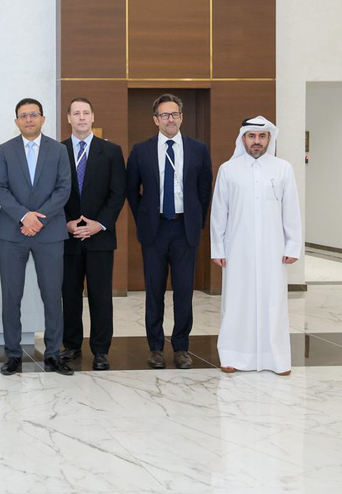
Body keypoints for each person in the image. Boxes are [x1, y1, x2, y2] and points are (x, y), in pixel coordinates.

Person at [126, 93, 212, 370]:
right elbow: (131, 190)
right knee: (154, 291)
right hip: (155, 229)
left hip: (185, 229)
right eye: (164, 115)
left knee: (184, 291)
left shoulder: (198, 149)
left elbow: (204, 190)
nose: (170, 119)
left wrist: (196, 223)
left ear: (181, 117)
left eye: (174, 114)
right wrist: (145, 219)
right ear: (155, 119)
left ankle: (182, 347)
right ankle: (155, 348)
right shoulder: (142, 150)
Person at [211, 116, 301, 376]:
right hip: (237, 249)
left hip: (273, 249)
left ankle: (277, 359)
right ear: (243, 139)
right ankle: (232, 355)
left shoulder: (283, 168)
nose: (257, 141)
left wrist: (292, 245)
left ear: (269, 139)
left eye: (262, 137)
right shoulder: (229, 169)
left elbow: (291, 209)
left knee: (274, 303)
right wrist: (218, 247)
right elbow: (219, 212)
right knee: (236, 301)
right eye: (252, 136)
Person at [0, 98, 73, 376]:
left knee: (52, 294)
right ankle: (13, 354)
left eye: (33, 115)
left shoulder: (59, 150)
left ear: (43, 119)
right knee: (11, 295)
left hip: (49, 232)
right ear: (16, 121)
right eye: (23, 116)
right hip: (13, 232)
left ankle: (53, 353)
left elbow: (64, 189)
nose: (28, 119)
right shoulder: (5, 150)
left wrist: (38, 219)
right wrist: (23, 216)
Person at [59, 98, 126, 371]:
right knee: (70, 295)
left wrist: (100, 224)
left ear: (93, 116)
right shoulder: (56, 150)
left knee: (100, 296)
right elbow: (53, 193)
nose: (82, 117)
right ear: (69, 118)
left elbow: (117, 192)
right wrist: (65, 223)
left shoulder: (111, 151)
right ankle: (71, 345)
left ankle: (101, 350)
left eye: (86, 112)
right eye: (76, 113)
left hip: (100, 237)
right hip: (68, 237)